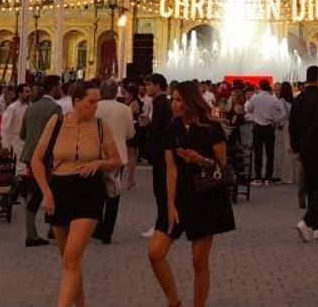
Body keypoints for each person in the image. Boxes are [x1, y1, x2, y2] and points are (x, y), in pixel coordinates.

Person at [30, 81, 121, 307]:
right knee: (69, 261)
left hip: (89, 191)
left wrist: (99, 162)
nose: (96, 106)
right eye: (92, 102)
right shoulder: (57, 122)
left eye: (97, 101)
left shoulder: (101, 126)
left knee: (71, 258)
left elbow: (117, 160)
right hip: (60, 189)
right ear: (77, 102)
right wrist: (46, 193)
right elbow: (36, 160)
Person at [148, 80, 236, 307]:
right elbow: (171, 169)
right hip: (179, 197)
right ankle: (173, 301)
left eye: (178, 100)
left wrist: (199, 159)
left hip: (206, 197)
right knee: (155, 253)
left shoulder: (211, 127)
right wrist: (169, 204)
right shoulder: (172, 128)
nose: (174, 105)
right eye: (172, 100)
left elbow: (221, 165)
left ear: (190, 101)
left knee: (199, 261)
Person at [289, 65, 318, 242]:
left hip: (304, 148)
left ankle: (317, 228)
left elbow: (292, 125)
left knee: (312, 184)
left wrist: (296, 147)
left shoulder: (298, 99)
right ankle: (306, 220)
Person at [20, 77, 63, 248]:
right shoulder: (55, 108)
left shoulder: (31, 108)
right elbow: (58, 134)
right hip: (47, 158)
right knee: (48, 192)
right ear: (54, 88)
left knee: (36, 191)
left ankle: (40, 230)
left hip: (30, 157)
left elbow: (23, 134)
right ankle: (39, 232)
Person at [93, 80, 135, 244]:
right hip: (118, 156)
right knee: (113, 194)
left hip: (97, 156)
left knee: (96, 194)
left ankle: (96, 226)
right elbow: (131, 133)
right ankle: (107, 231)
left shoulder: (95, 107)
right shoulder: (125, 109)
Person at [139, 73, 170, 240]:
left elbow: (158, 130)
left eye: (150, 85)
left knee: (161, 190)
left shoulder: (160, 104)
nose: (147, 88)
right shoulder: (163, 103)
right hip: (162, 152)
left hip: (160, 153)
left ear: (158, 85)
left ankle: (162, 224)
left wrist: (146, 125)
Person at [245, 80, 281, 186]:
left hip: (257, 128)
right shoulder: (273, 99)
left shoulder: (255, 98)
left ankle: (258, 178)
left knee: (258, 153)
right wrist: (275, 120)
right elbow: (282, 112)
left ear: (260, 87)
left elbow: (249, 109)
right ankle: (268, 178)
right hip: (269, 127)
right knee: (270, 154)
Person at [1, 83, 32, 155]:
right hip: (15, 142)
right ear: (20, 93)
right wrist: (6, 145)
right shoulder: (12, 108)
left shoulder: (31, 107)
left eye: (30, 91)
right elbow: (5, 127)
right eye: (27, 92)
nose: (29, 94)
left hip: (27, 142)